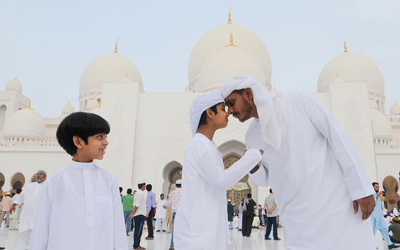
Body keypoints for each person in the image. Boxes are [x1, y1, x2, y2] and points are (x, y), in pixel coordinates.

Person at [219, 75, 376, 249]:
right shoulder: (251, 136)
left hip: (334, 206)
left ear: (248, 93)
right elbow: (265, 180)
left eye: (231, 103)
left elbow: (337, 137)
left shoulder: (297, 101)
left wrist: (361, 188)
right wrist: (255, 167)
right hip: (298, 220)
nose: (229, 111)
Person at [174, 92, 262, 250]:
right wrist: (252, 156)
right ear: (209, 112)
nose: (228, 112)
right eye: (222, 109)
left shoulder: (206, 145)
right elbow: (221, 181)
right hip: (200, 236)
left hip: (206, 232)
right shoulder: (199, 145)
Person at [27, 112, 127, 249]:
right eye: (99, 137)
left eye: (105, 136)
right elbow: (41, 231)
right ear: (78, 142)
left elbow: (118, 229)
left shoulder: (109, 180)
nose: (106, 142)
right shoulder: (54, 183)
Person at [9, 170, 47, 247]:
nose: (38, 175)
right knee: (25, 229)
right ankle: (29, 246)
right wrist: (14, 205)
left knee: (38, 231)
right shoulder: (30, 185)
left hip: (41, 213)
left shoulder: (48, 185)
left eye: (40, 174)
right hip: (28, 213)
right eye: (37, 174)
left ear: (45, 176)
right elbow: (21, 196)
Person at [371, 182, 399, 249]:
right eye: (376, 187)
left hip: (379, 217)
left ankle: (390, 244)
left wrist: (380, 195)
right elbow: (371, 201)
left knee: (385, 228)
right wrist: (379, 196)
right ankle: (371, 245)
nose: (378, 188)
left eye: (378, 187)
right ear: (373, 187)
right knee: (372, 232)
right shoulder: (371, 195)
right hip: (373, 217)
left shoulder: (377, 195)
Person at [129, 181, 147, 250]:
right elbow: (136, 205)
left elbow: (135, 204)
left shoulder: (137, 193)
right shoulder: (140, 194)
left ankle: (137, 245)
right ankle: (136, 246)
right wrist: (133, 213)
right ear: (143, 186)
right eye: (144, 185)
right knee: (138, 230)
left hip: (139, 214)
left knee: (138, 230)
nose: (145, 187)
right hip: (139, 214)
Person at [168, 180, 182, 250]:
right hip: (182, 214)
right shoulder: (184, 192)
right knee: (182, 230)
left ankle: (172, 246)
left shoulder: (172, 193)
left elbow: (169, 204)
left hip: (174, 213)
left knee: (174, 230)